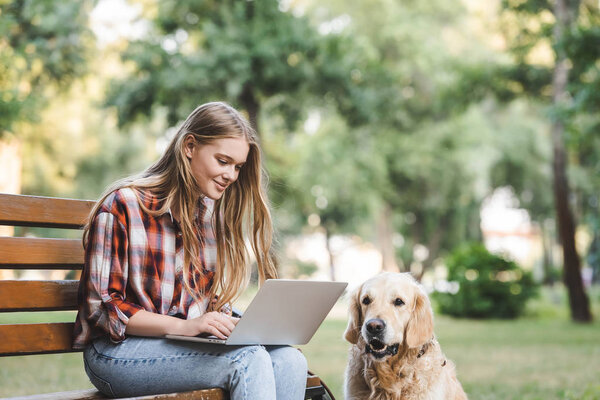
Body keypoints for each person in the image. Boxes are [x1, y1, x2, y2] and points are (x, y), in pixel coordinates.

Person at [73, 102, 308, 399]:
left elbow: (201, 303)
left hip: (179, 344)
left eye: (238, 167)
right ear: (189, 146)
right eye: (223, 161)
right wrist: (185, 327)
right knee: (247, 360)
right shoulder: (124, 206)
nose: (232, 175)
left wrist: (225, 323)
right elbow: (102, 310)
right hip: (114, 353)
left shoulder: (209, 216)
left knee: (289, 360)